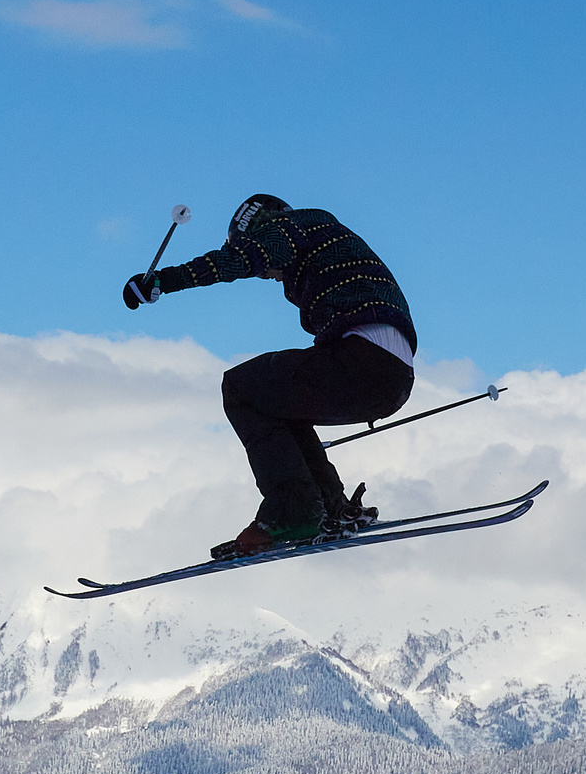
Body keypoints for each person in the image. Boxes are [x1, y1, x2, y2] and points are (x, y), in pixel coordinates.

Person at [124, 195, 418, 559]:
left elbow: (244, 259)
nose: (269, 275)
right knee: (275, 400)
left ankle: (292, 511)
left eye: (267, 270)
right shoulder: (323, 238)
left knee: (241, 388)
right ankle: (330, 509)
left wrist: (166, 281)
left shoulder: (292, 227)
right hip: (392, 376)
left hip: (363, 360)